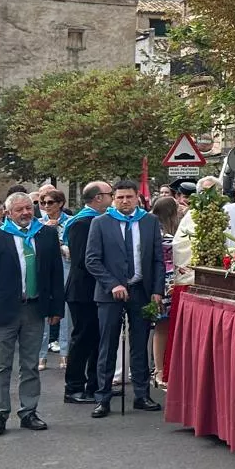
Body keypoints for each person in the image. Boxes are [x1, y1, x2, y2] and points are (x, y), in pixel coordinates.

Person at [0, 191, 64, 436]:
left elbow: (56, 274)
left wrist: (56, 308)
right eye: (19, 210)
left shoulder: (46, 235)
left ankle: (29, 411)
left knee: (30, 364)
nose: (26, 213)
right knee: (0, 365)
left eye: (28, 208)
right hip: (4, 311)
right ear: (8, 213)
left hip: (34, 308)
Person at [86, 178, 166, 417]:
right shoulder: (101, 223)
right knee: (108, 343)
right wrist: (112, 284)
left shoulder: (149, 221)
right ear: (113, 199)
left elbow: (158, 259)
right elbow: (92, 260)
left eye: (129, 197)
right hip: (110, 292)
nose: (124, 201)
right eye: (119, 197)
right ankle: (103, 397)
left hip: (141, 290)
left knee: (140, 343)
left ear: (137, 198)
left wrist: (157, 290)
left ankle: (142, 394)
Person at [61, 181, 110, 404]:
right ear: (98, 197)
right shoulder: (82, 223)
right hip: (83, 290)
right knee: (82, 339)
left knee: (97, 339)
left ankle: (95, 385)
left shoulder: (98, 220)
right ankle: (74, 387)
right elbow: (82, 259)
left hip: (96, 289)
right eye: (110, 194)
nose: (112, 198)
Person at [149, 194, 183, 389]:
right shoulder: (164, 235)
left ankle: (162, 369)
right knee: (163, 325)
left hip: (166, 281)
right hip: (166, 283)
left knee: (164, 326)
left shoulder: (156, 230)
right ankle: (159, 370)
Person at [35, 186, 71, 365]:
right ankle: (41, 355)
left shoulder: (70, 222)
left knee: (65, 309)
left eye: (50, 202)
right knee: (43, 307)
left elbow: (76, 245)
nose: (46, 206)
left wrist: (63, 246)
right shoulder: (37, 223)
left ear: (60, 203)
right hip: (44, 266)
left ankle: (65, 352)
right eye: (43, 203)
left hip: (65, 264)